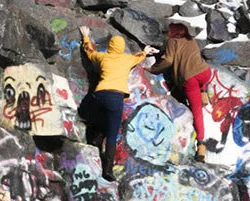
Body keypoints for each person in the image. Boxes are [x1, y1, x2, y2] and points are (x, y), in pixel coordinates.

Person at [79, 28, 153, 181]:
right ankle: (108, 170)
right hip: (116, 97)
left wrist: (86, 36)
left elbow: (89, 51)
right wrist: (145, 51)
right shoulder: (127, 59)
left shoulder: (102, 57)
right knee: (112, 133)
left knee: (97, 118)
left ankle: (95, 140)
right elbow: (138, 57)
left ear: (110, 46)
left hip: (99, 94)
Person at [146, 17, 216, 162]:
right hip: (205, 72)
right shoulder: (191, 40)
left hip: (190, 78)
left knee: (196, 110)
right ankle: (203, 91)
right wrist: (160, 52)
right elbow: (181, 55)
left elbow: (169, 60)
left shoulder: (172, 41)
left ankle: (201, 144)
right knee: (199, 85)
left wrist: (153, 69)